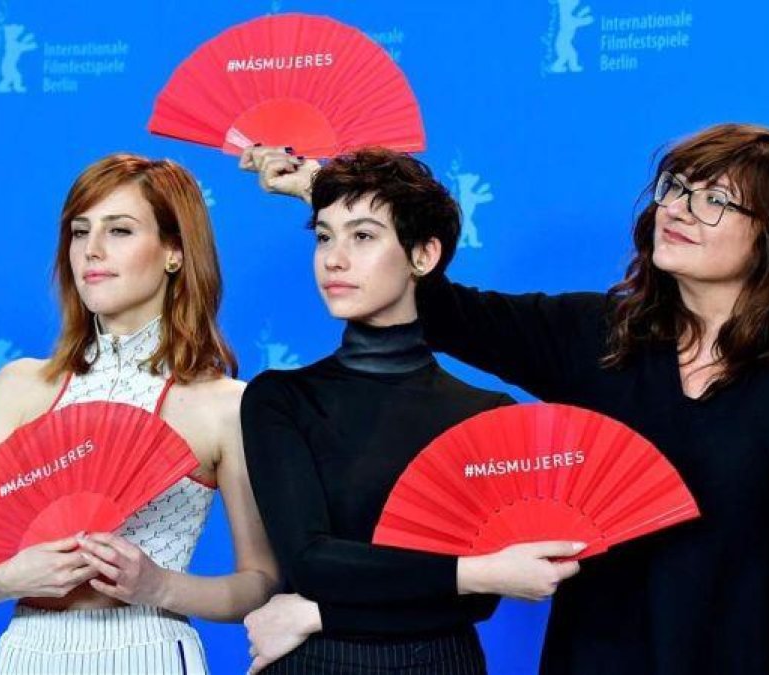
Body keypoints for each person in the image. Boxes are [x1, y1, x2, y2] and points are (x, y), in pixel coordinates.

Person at [241, 124, 769, 675]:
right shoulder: (605, 334)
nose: (680, 209)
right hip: (605, 651)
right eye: (677, 188)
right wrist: (327, 190)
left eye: (715, 199)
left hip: (751, 651)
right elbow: (433, 300)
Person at [237, 148, 585, 674]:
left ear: (423, 256)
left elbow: (476, 605)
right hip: (315, 664)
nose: (334, 258)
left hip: (440, 662)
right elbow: (313, 563)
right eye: (325, 236)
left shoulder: (488, 415)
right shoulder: (280, 397)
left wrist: (319, 616)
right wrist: (480, 570)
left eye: (363, 236)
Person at [0, 153, 279, 674]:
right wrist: (14, 577)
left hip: (150, 648)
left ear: (174, 251)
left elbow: (258, 584)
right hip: (26, 651)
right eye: (80, 232)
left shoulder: (225, 404)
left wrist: (159, 584)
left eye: (119, 230)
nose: (91, 251)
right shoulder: (20, 386)